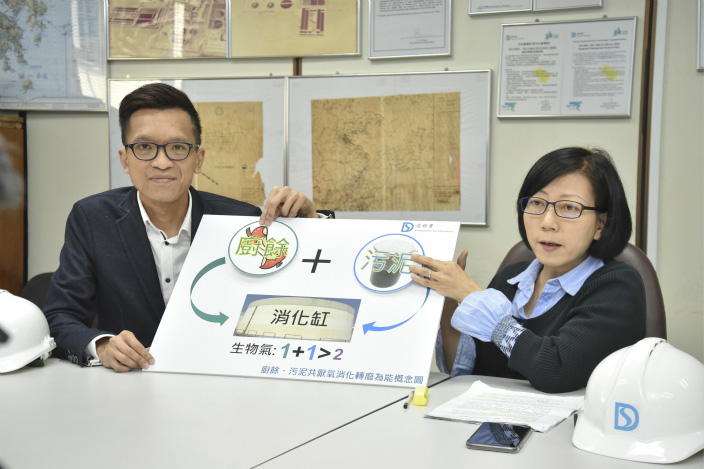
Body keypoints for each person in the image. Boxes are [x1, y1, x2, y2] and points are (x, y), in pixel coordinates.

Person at [43, 83, 328, 372]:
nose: (162, 162)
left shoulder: (242, 221)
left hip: (221, 377)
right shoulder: (92, 218)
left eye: (177, 148)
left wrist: (310, 224)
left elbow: (298, 303)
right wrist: (102, 345)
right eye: (144, 147)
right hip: (130, 382)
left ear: (198, 159)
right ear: (125, 159)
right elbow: (59, 317)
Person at [410, 147, 646, 393]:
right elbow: (464, 370)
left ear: (600, 225)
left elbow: (556, 370)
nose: (548, 223)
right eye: (537, 203)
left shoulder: (618, 286)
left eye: (569, 207)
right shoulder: (510, 279)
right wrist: (449, 300)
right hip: (491, 415)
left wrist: (472, 296)